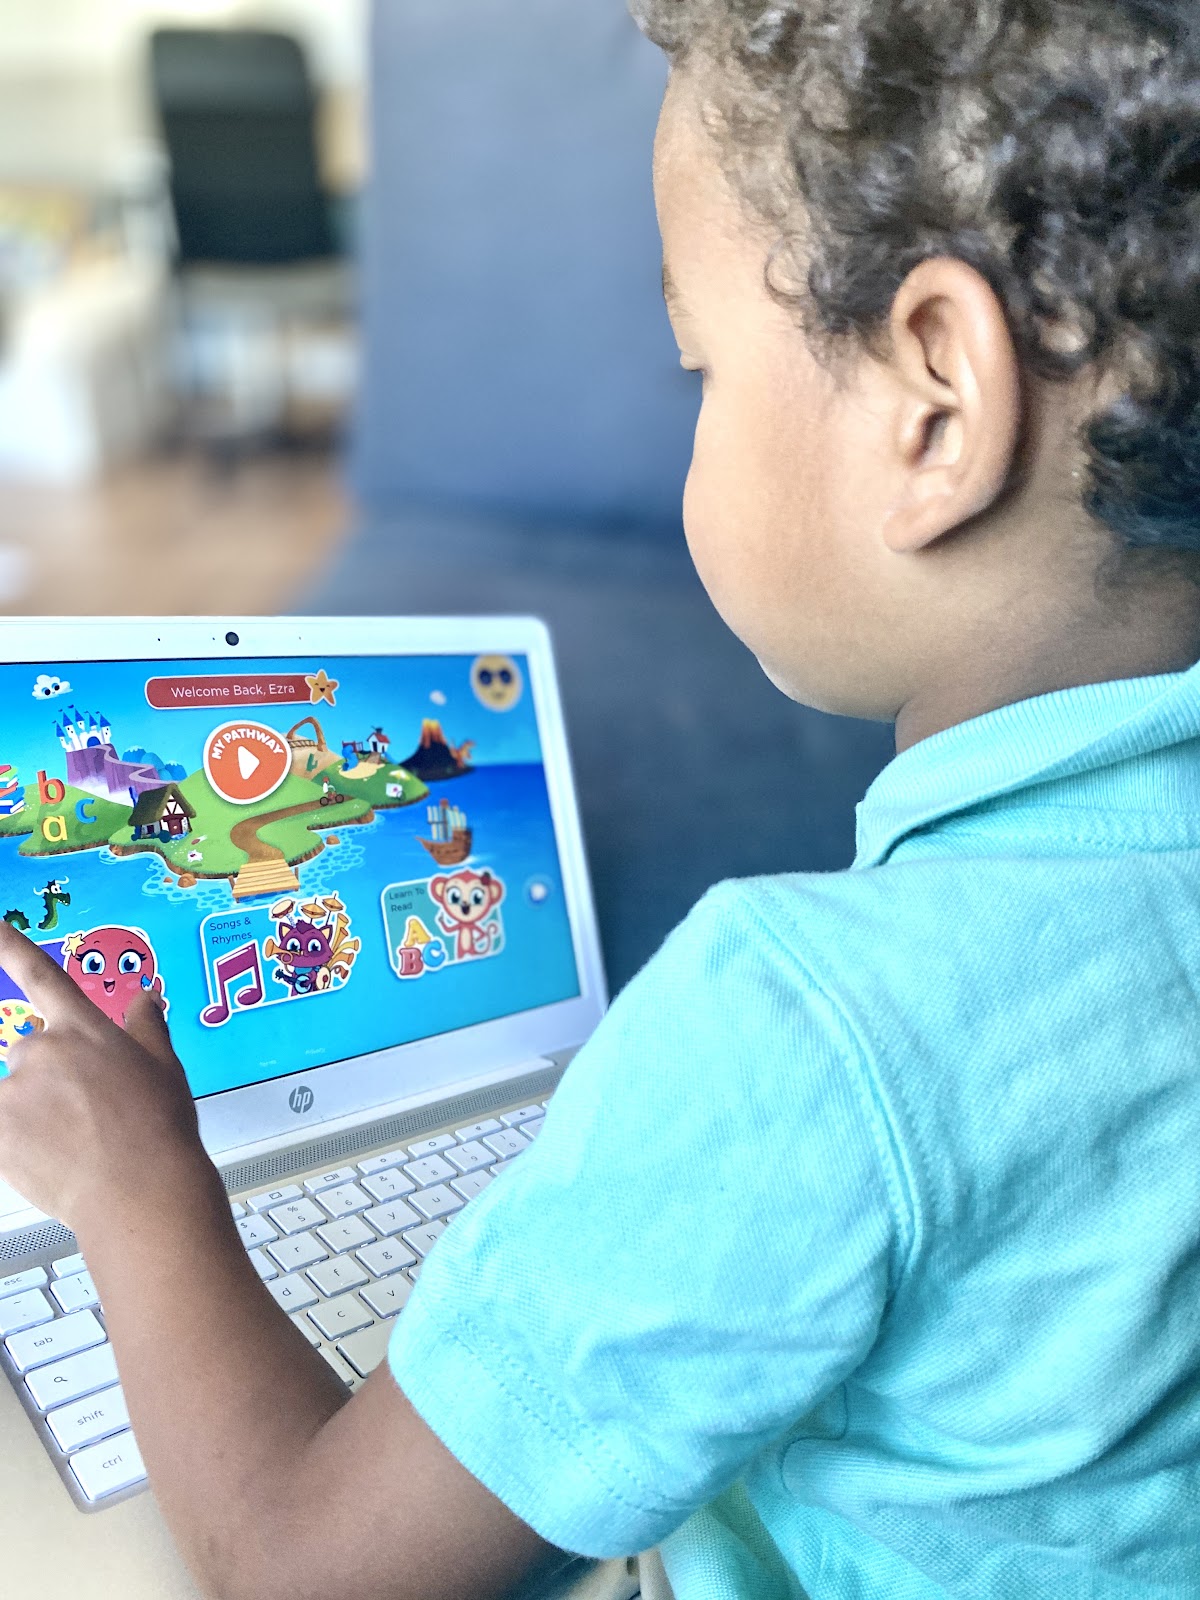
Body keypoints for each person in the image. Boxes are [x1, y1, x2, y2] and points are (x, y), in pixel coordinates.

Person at [4, 1, 1200, 1594]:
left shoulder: (793, 1023)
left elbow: (304, 1567)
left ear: (936, 400)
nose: (692, 409)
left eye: (700, 364)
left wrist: (135, 1178)